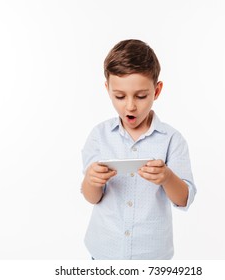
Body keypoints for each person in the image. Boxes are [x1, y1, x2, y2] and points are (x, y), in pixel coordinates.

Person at [81, 39, 197, 260]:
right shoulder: (99, 135)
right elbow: (91, 197)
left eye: (141, 96)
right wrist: (91, 181)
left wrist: (167, 177)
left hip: (151, 256)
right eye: (120, 96)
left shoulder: (172, 139)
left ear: (157, 90)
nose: (131, 106)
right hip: (104, 251)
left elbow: (184, 199)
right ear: (108, 89)